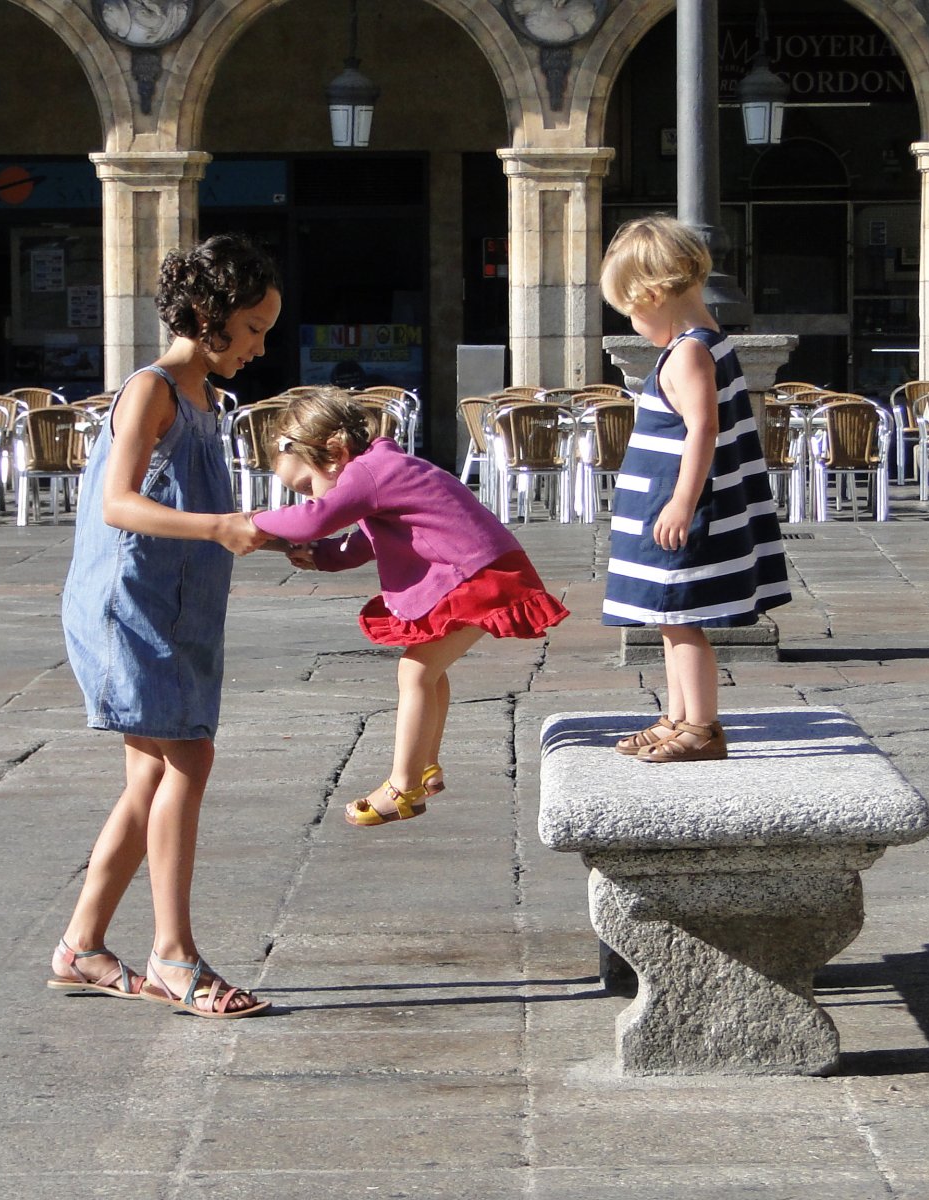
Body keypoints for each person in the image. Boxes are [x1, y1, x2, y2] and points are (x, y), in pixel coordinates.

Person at [52, 234, 280, 1019]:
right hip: (131, 606)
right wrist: (220, 527)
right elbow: (118, 503)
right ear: (211, 317)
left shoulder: (207, 402)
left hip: (176, 608)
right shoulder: (151, 391)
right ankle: (174, 955)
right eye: (253, 328)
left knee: (151, 774)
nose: (259, 346)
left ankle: (81, 946)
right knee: (188, 754)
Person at [250, 388, 569, 826]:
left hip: (477, 576)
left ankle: (403, 786)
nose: (309, 499)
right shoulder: (378, 469)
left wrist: (247, 522)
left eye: (306, 487)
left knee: (415, 671)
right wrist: (325, 557)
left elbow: (316, 520)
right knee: (427, 671)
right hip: (477, 571)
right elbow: (368, 539)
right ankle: (423, 767)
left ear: (334, 452)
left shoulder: (370, 473)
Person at [597, 215, 790, 763]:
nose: (633, 323)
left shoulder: (688, 352)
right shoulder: (708, 345)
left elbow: (703, 427)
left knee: (681, 622)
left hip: (675, 509)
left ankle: (701, 726)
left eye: (632, 310)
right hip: (666, 508)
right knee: (669, 618)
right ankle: (678, 717)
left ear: (654, 294)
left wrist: (681, 502)